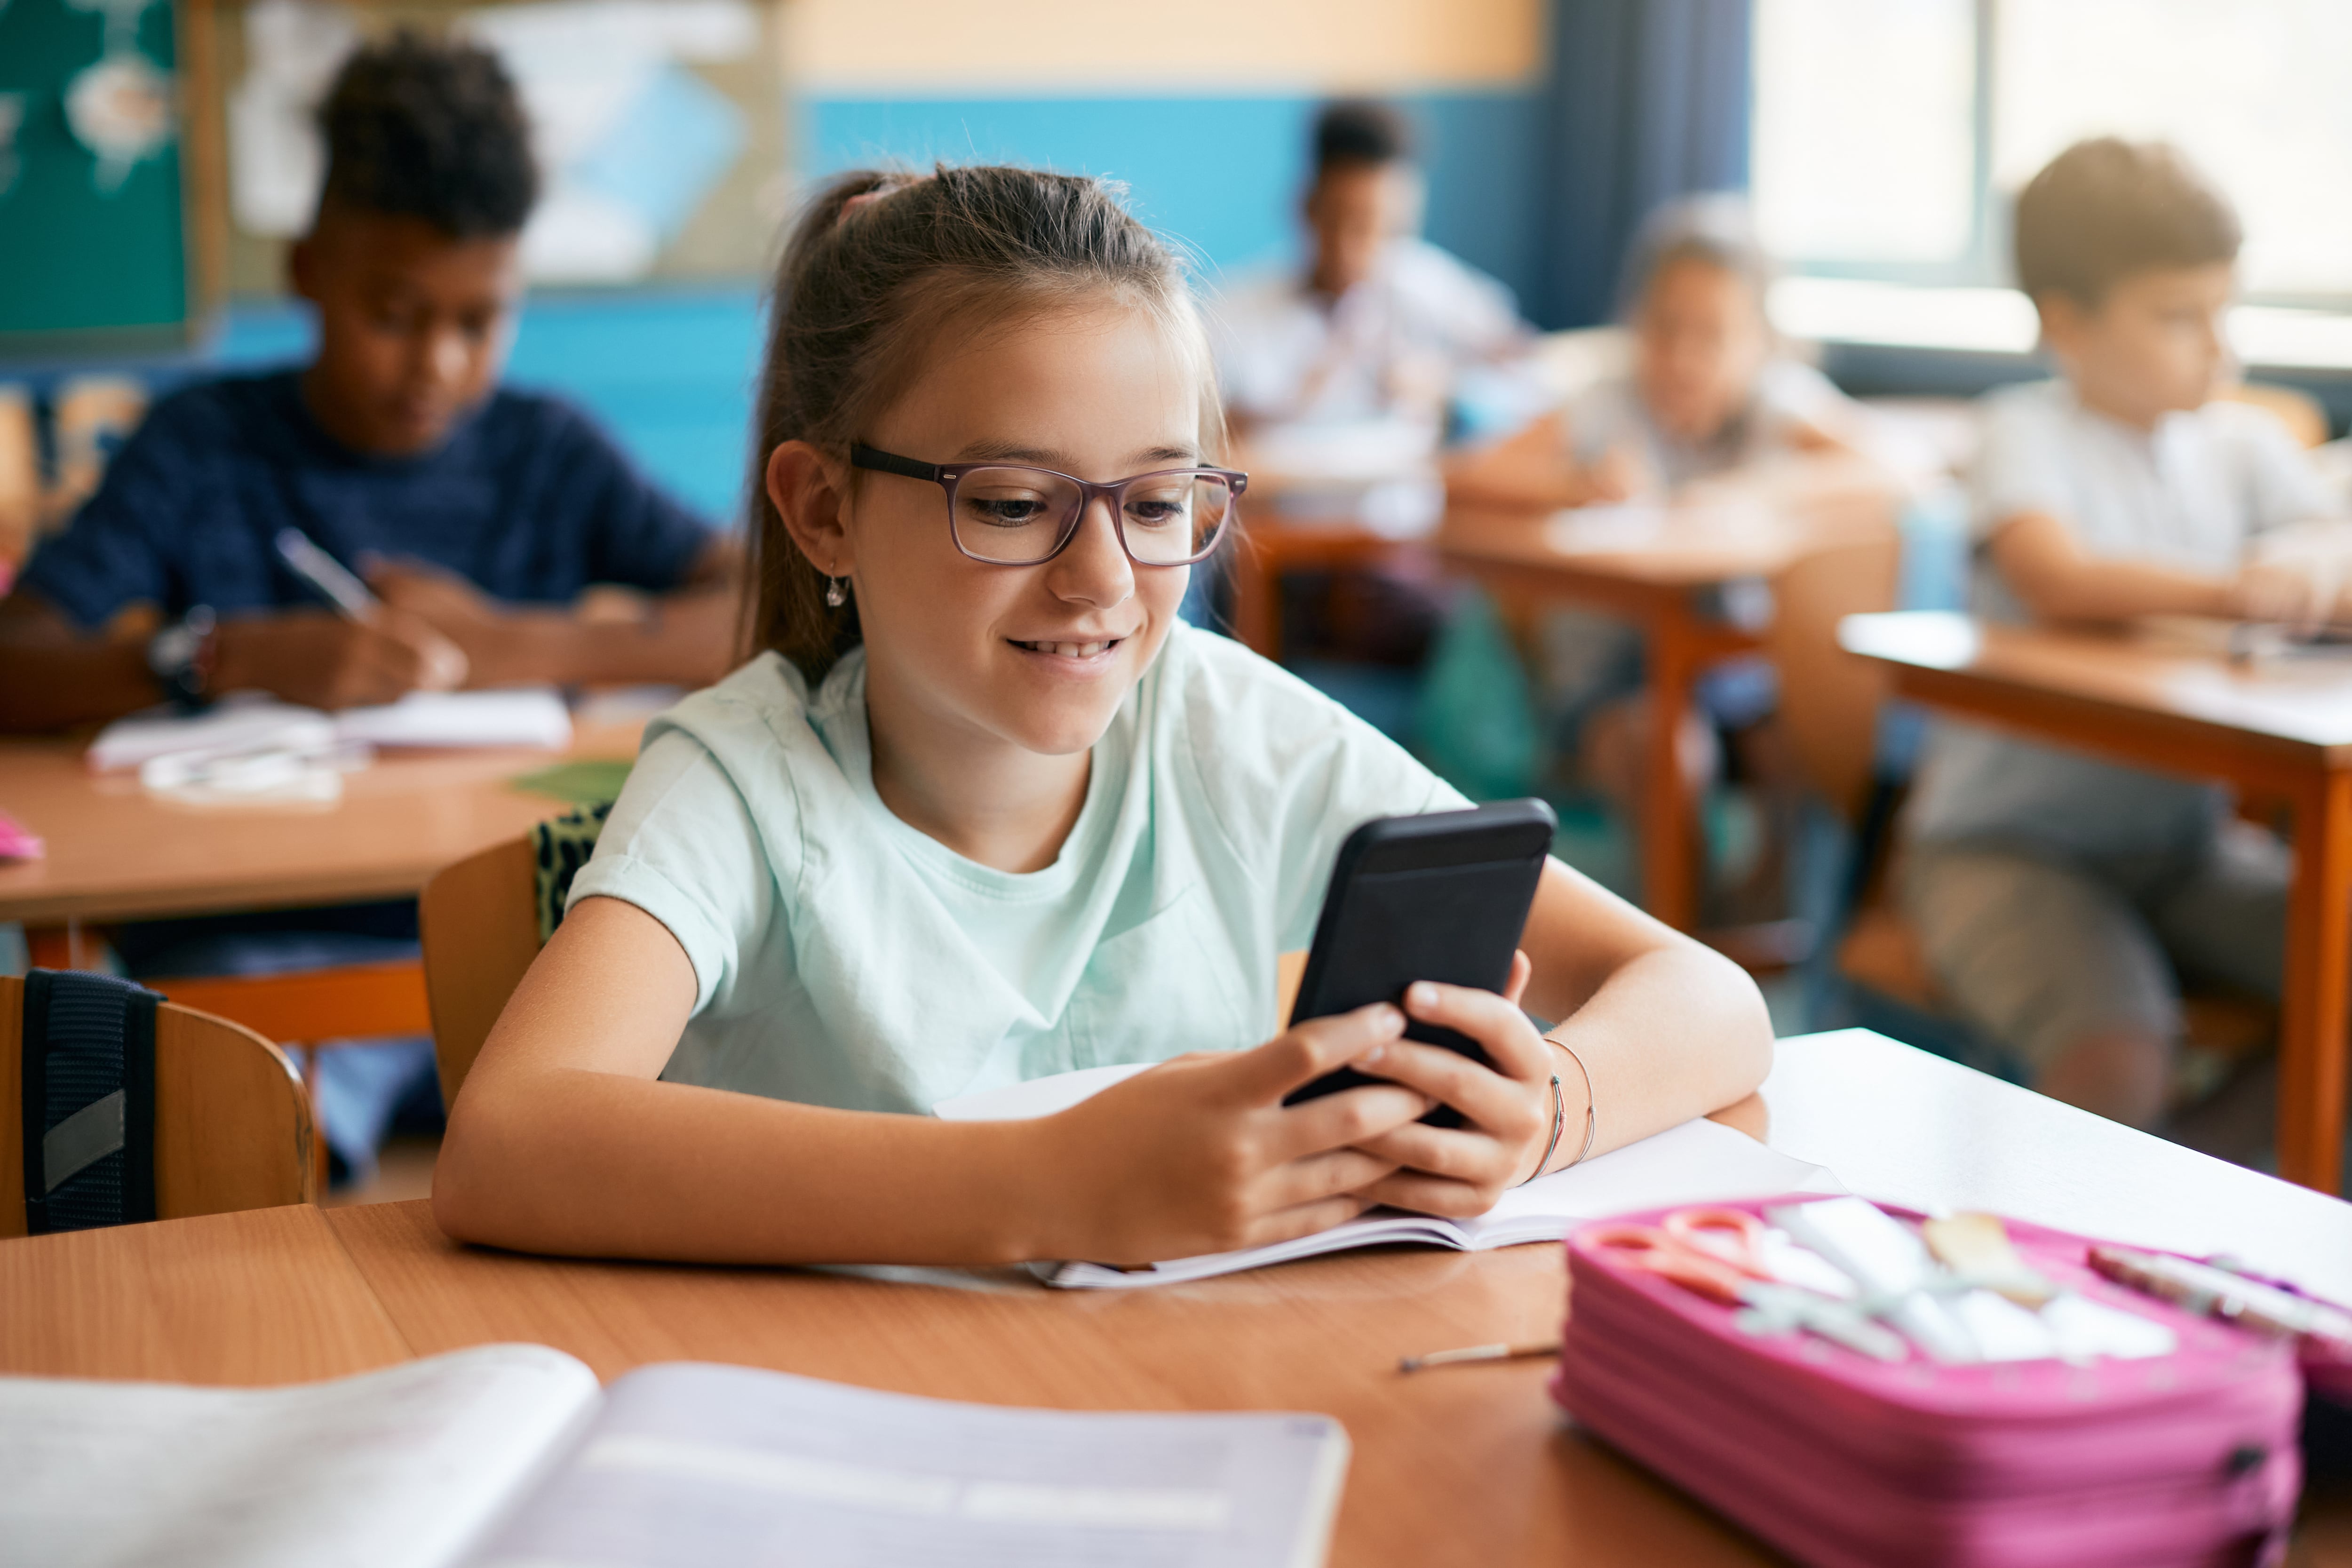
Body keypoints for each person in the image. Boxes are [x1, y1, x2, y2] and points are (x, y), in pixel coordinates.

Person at [429, 166, 1773, 1267]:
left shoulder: (1222, 723)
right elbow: (509, 1139)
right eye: (1013, 502)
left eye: (1155, 502)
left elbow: (1710, 998)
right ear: (824, 506)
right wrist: (1046, 1184)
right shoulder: (744, 780)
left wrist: (1545, 1110)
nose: (1103, 580)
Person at [0, 35, 742, 1179]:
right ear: (307, 269)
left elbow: (761, 605)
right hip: (251, 955)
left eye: (478, 321)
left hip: (531, 943)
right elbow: (19, 657)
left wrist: (514, 645)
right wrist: (225, 654)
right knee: (234, 1155)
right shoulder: (204, 445)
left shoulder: (545, 448)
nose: (436, 365)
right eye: (393, 312)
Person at [1900, 138, 2347, 1132]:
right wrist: (2249, 589)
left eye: (2221, 312)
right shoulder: (2026, 429)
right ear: (2067, 321)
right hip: (2005, 848)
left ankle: (2195, 1197)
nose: (2217, 346)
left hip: (2182, 848)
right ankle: (2123, 1220)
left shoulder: (2241, 444)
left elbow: (2328, 534)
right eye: (2177, 317)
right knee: (2117, 1052)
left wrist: (2319, 560)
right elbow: (2052, 575)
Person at [1448, 198, 1891, 915]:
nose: (1684, 358)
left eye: (1712, 336)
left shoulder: (1775, 408)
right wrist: (1574, 483)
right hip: (1613, 685)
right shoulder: (1606, 405)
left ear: (1760, 344)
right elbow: (1465, 477)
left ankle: (1770, 923)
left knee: (1810, 729)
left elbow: (1896, 468)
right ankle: (1682, 930)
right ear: (1635, 326)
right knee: (1670, 747)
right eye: (1664, 330)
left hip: (1736, 678)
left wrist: (1757, 491)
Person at [1210, 99, 1528, 434]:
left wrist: (1442, 385)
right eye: (1338, 222)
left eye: (1379, 228)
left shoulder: (1427, 285)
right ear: (1306, 207)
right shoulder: (1235, 312)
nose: (1351, 250)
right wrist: (1293, 406)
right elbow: (1209, 432)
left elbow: (1525, 371)